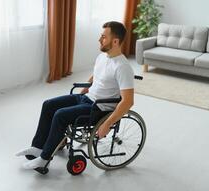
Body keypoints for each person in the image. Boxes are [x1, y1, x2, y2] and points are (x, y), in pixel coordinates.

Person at [16, 21, 134, 170]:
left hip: (98, 108)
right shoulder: (102, 57)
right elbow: (96, 76)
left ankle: (44, 159)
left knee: (60, 115)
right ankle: (39, 147)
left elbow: (128, 101)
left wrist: (107, 124)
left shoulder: (123, 67)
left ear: (115, 41)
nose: (99, 39)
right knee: (48, 105)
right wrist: (82, 92)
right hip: (86, 99)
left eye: (104, 37)